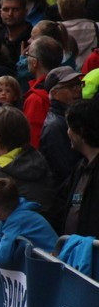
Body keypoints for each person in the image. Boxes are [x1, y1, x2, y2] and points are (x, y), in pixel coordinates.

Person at [62, 98, 99, 237]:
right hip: (77, 252)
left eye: (70, 127)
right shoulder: (81, 166)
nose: (68, 132)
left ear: (81, 131)